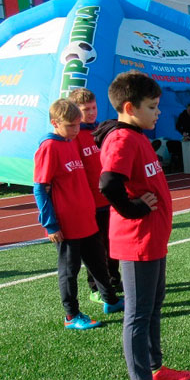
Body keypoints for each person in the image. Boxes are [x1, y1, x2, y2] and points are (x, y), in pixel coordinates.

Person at [94, 70, 190, 380]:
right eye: (152, 107)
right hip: (137, 242)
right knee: (137, 314)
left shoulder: (137, 135)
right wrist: (133, 209)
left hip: (153, 240)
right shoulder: (122, 139)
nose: (158, 112)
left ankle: (155, 367)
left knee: (152, 308)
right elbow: (109, 183)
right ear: (129, 107)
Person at [33, 99, 124, 331]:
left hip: (86, 218)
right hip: (67, 223)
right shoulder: (49, 147)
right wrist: (50, 224)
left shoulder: (69, 141)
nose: (76, 130)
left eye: (77, 125)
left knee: (99, 262)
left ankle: (111, 300)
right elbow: (40, 188)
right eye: (70, 125)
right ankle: (71, 315)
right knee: (69, 271)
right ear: (55, 123)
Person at [67, 89, 122, 300]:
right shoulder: (75, 137)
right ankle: (96, 287)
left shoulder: (102, 130)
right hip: (90, 204)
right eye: (84, 110)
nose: (90, 113)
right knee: (95, 250)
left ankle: (114, 281)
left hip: (110, 200)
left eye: (93, 108)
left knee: (112, 244)